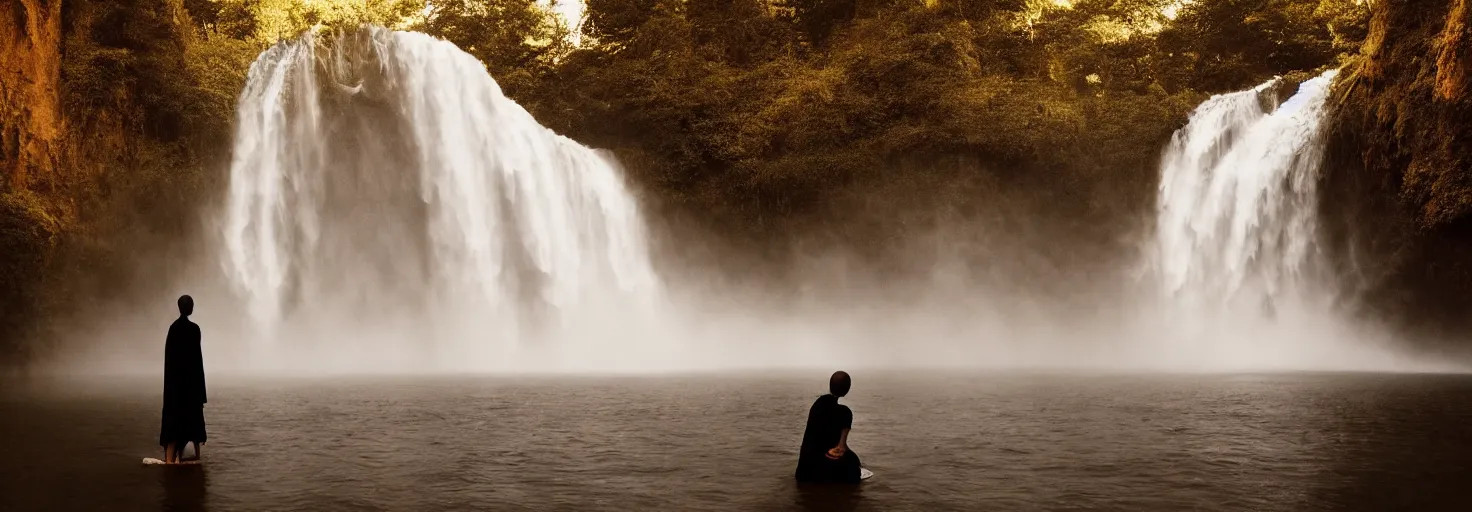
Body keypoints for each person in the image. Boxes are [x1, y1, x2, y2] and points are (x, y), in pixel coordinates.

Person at [159, 294, 207, 464]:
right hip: (191, 388)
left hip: (175, 389)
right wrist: (201, 395)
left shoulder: (173, 328)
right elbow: (197, 362)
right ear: (190, 308)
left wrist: (170, 391)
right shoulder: (195, 330)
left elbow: (169, 362)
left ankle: (170, 460)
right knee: (194, 426)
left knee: (173, 427)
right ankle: (196, 460)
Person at [795, 371, 863, 483]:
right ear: (848, 388)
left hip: (803, 471)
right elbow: (841, 447)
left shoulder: (818, 403)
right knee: (853, 463)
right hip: (821, 472)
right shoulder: (845, 413)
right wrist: (854, 460)